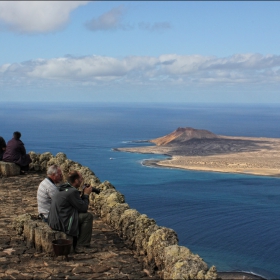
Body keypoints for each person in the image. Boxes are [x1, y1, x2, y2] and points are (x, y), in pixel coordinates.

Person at [48, 170, 94, 252]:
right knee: (88, 217)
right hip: (61, 222)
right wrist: (86, 195)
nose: (82, 180)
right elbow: (83, 208)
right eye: (81, 178)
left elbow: (75, 203)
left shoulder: (63, 187)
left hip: (54, 220)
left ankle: (78, 240)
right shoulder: (73, 191)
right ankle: (82, 246)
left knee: (80, 215)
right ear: (76, 180)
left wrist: (82, 194)